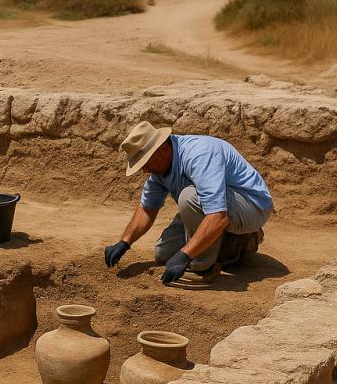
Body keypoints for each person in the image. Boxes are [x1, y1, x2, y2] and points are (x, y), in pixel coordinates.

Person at [104, 121, 273, 285]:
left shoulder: (199, 154)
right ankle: (227, 241)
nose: (145, 170)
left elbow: (218, 216)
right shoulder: (159, 172)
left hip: (252, 206)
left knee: (189, 197)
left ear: (162, 148)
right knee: (163, 253)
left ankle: (204, 267)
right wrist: (124, 242)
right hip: (215, 207)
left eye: (146, 163)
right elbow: (147, 209)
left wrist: (186, 255)